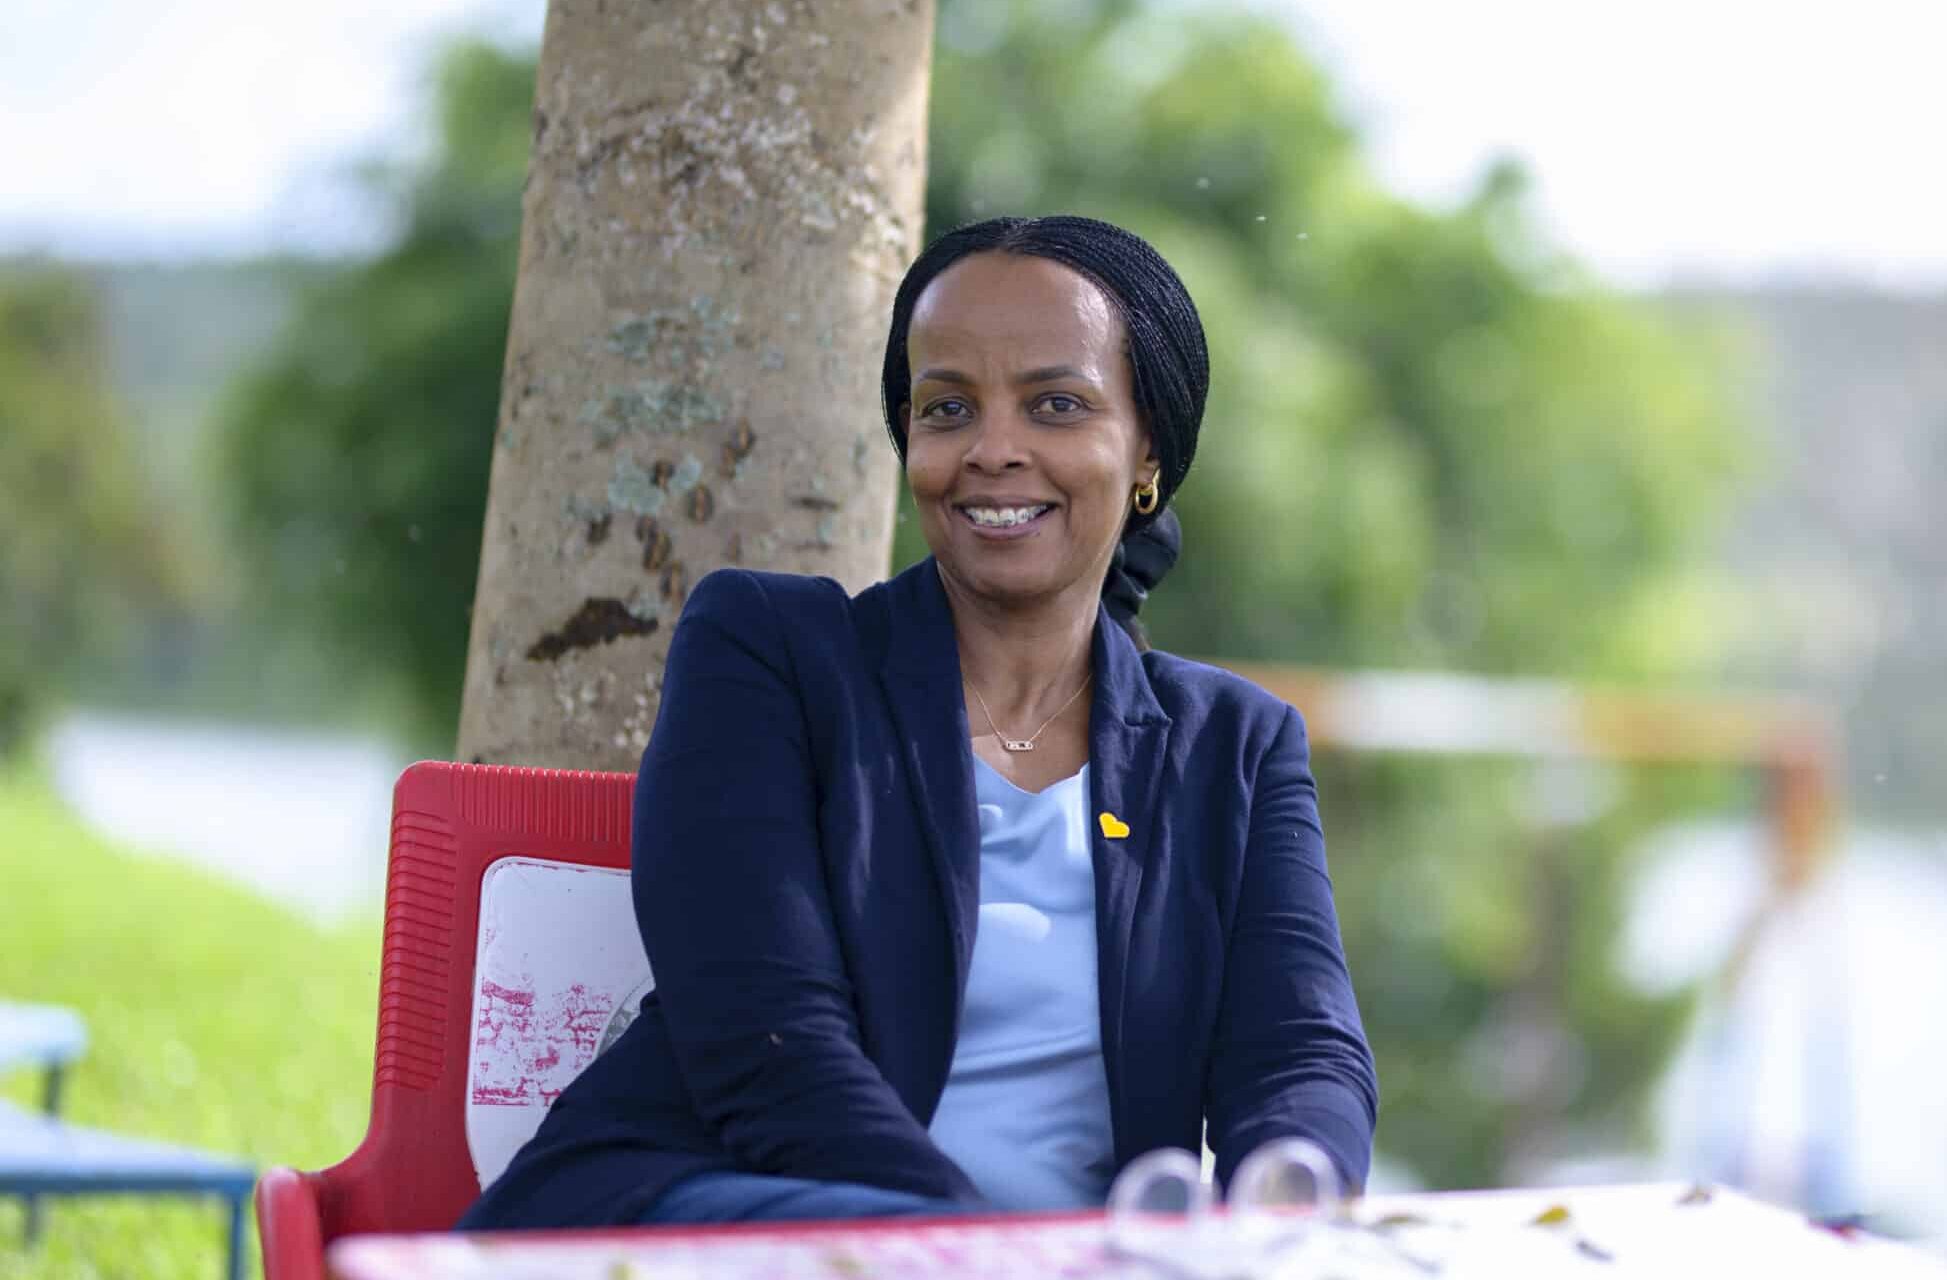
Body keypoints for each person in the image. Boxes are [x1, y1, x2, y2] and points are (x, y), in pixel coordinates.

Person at [458, 216, 1378, 1230]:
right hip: (718, 1220)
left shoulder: (1233, 745)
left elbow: (1301, 1054)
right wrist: (987, 1254)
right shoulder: (771, 654)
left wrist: (1285, 1209)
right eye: (948, 408)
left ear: (1147, 447)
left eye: (1056, 405)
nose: (993, 450)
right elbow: (770, 1045)